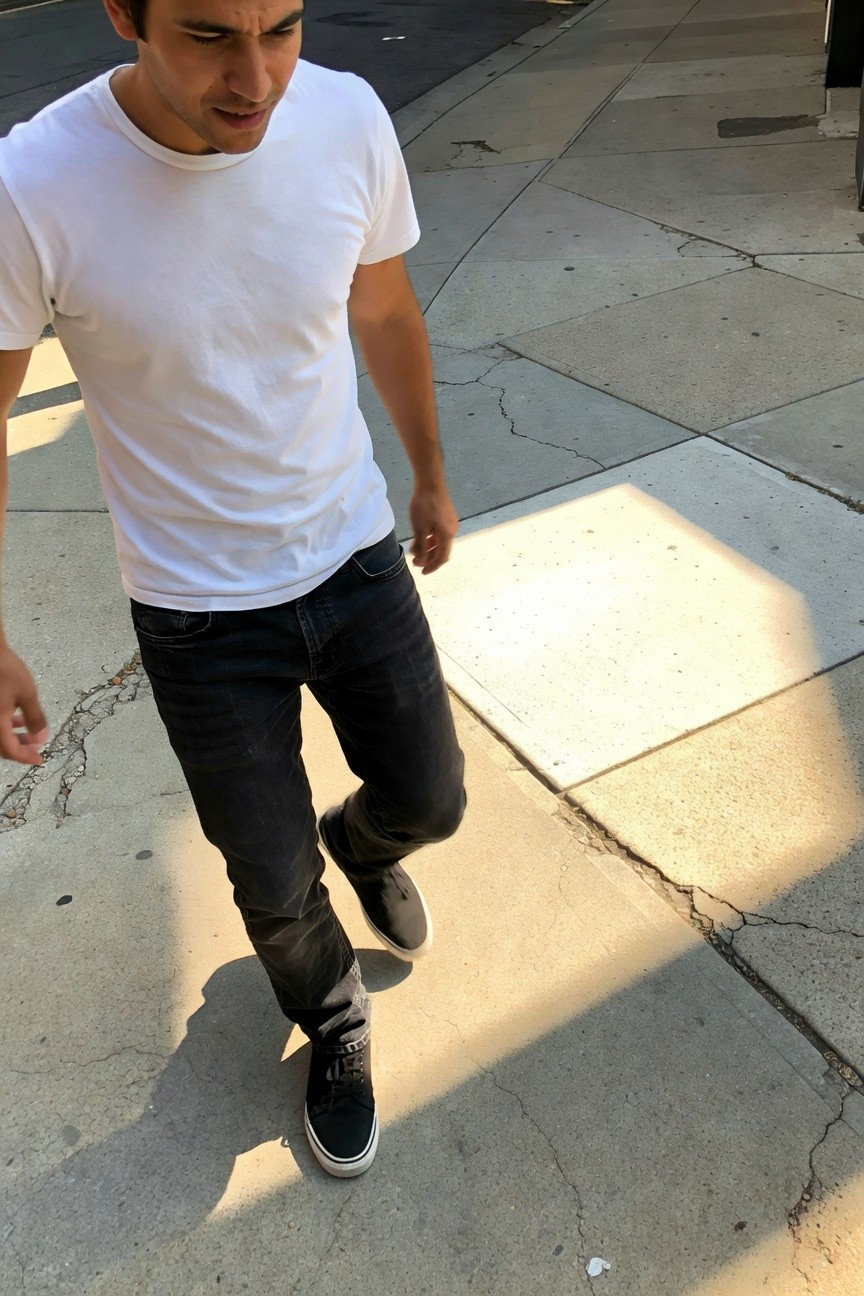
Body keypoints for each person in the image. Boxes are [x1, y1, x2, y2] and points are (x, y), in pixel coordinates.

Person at [0, 0, 466, 1178]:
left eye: (284, 28)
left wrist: (429, 473)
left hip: (353, 554)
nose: (255, 76)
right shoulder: (33, 184)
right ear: (123, 16)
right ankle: (334, 1020)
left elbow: (382, 304)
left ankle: (363, 846)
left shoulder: (347, 116)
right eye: (210, 34)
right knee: (268, 881)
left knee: (432, 795)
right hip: (198, 612)